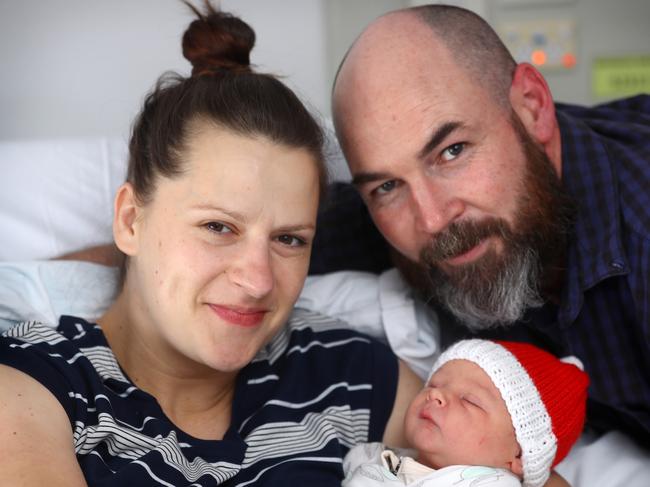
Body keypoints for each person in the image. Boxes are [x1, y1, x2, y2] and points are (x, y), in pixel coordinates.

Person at [0, 4, 423, 486]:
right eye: (219, 227)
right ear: (131, 220)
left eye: (289, 239)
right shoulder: (34, 386)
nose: (258, 280)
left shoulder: (352, 379)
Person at [310, 4, 650, 445]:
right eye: (388, 186)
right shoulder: (404, 224)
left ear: (533, 106)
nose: (432, 219)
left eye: (452, 151)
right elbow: (274, 237)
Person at [342, 339, 589, 487]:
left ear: (518, 456)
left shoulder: (490, 483)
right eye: (434, 384)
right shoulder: (382, 457)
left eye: (469, 401)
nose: (435, 395)